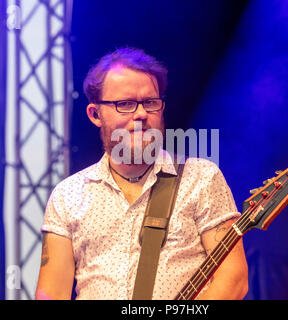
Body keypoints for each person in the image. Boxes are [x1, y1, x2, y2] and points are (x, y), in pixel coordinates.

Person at [35, 47, 248, 300]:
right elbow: (51, 293)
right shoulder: (67, 195)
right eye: (125, 104)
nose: (141, 114)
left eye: (150, 102)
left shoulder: (202, 178)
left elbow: (233, 279)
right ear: (95, 114)